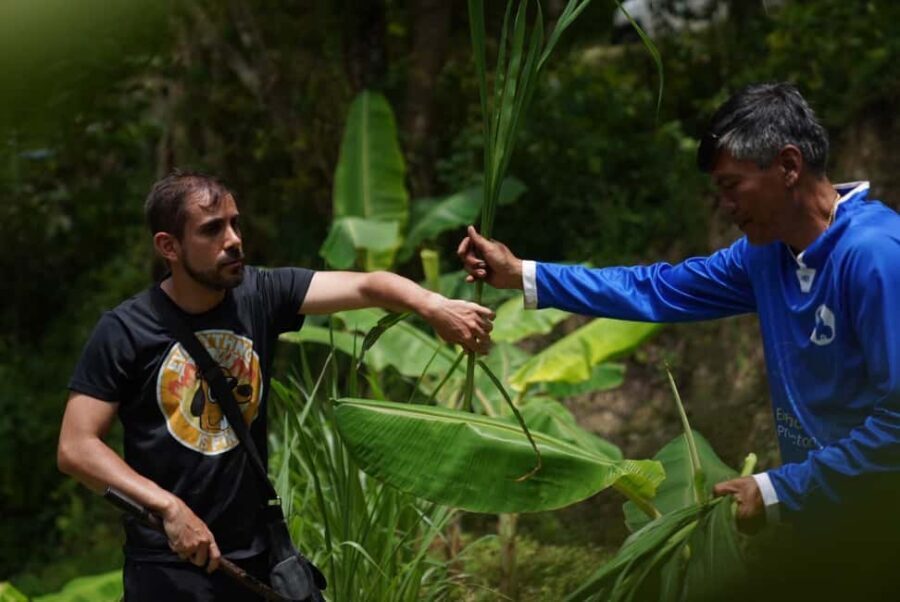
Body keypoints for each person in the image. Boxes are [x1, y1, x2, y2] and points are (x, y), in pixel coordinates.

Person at [458, 82, 900, 537]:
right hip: (831, 521)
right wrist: (520, 274)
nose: (725, 207)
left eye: (732, 187)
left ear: (788, 165)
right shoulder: (767, 255)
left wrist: (779, 490)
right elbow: (658, 288)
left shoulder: (876, 256)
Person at [57, 171, 495, 601]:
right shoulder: (125, 330)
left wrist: (435, 305)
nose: (233, 239)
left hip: (260, 558)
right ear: (168, 246)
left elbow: (366, 284)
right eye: (212, 229)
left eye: (234, 222)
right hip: (170, 567)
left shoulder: (260, 293)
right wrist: (170, 509)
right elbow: (76, 448)